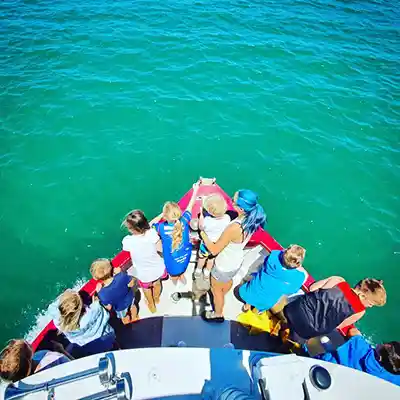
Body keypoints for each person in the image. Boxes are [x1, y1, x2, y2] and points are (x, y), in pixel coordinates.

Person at [199, 189, 267, 322]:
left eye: (233, 201)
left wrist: (202, 234)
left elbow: (214, 250)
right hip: (236, 262)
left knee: (215, 290)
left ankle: (218, 314)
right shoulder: (251, 220)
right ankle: (223, 292)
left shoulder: (234, 228)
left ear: (241, 208)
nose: (231, 201)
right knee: (226, 282)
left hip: (223, 265)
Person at [283, 277, 387, 339]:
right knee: (300, 333)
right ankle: (288, 339)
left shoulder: (339, 280)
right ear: (363, 296)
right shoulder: (360, 311)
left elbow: (312, 288)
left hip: (293, 310)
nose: (370, 306)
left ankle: (283, 325)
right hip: (307, 331)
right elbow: (338, 326)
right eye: (371, 304)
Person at [151, 182, 200, 286]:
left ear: (165, 216)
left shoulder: (161, 228)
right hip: (185, 256)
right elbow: (190, 206)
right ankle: (182, 278)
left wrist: (161, 215)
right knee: (182, 269)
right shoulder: (184, 221)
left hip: (172, 261)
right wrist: (195, 189)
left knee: (174, 275)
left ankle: (176, 281)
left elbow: (149, 225)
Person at [316, 328, 400, 386]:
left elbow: (353, 332)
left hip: (324, 370)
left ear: (380, 358)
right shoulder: (395, 379)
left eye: (383, 347)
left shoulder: (360, 347)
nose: (382, 344)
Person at [238, 245, 307, 314]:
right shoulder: (299, 277)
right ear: (298, 264)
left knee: (252, 296)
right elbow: (291, 290)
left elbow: (271, 258)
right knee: (262, 304)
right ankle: (255, 312)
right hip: (265, 303)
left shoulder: (273, 256)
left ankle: (246, 307)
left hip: (247, 292)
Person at [122, 210, 167, 313]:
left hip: (144, 274)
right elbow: (160, 250)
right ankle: (157, 298)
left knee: (146, 289)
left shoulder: (127, 241)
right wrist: (161, 214)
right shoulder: (152, 234)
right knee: (157, 284)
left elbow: (127, 249)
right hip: (157, 269)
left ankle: (151, 304)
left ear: (131, 229)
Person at [50, 290, 116, 356]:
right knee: (113, 346)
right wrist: (95, 301)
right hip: (107, 338)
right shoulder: (95, 310)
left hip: (88, 347)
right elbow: (106, 312)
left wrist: (66, 301)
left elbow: (51, 308)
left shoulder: (60, 324)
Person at [194, 194, 231, 281]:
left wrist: (202, 215)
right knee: (211, 259)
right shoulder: (227, 218)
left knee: (202, 258)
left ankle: (198, 271)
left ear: (210, 212)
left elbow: (201, 227)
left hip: (206, 245)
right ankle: (207, 273)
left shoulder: (207, 221)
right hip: (217, 245)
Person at [90, 258, 138, 325]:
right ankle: (135, 318)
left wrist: (98, 292)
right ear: (111, 269)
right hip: (130, 298)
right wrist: (121, 272)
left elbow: (108, 307)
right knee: (133, 307)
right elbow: (132, 281)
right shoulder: (121, 276)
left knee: (124, 317)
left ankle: (128, 324)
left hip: (120, 308)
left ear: (96, 278)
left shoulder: (102, 294)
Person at [0, 339, 71, 382]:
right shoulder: (53, 358)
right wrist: (62, 350)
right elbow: (75, 365)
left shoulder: (17, 387)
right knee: (72, 347)